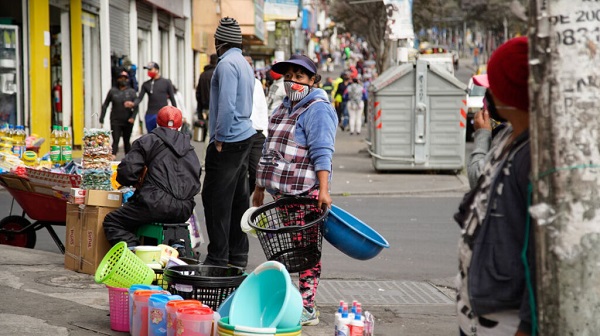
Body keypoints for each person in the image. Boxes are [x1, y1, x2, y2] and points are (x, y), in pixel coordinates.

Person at [454, 37, 533, 336]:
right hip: (477, 313)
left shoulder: (533, 155)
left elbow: (538, 253)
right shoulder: (507, 137)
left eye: (493, 85)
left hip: (504, 323)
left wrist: (525, 326)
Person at [252, 54, 338, 326]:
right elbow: (269, 150)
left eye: (300, 77)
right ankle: (292, 302)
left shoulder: (318, 109)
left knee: (307, 251)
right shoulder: (282, 108)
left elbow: (322, 151)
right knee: (288, 250)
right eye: (288, 76)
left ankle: (308, 307)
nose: (292, 81)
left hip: (307, 193)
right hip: (284, 193)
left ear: (313, 80)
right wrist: (259, 187)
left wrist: (324, 190)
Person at [103, 106, 202, 247]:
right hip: (184, 209)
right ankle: (175, 247)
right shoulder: (190, 149)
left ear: (157, 123)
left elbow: (127, 174)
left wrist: (136, 181)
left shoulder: (147, 141)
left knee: (113, 221)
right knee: (148, 214)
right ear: (180, 126)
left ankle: (134, 253)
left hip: (154, 204)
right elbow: (196, 178)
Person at [201, 17, 256, 268]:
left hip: (229, 139)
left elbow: (226, 106)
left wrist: (220, 139)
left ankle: (217, 258)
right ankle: (237, 256)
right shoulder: (245, 64)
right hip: (245, 136)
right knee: (237, 199)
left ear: (219, 42)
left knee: (215, 200)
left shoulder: (225, 65)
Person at [466, 74, 508, 188]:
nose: (486, 99)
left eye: (490, 92)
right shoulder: (504, 131)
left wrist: (482, 134)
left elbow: (476, 178)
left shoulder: (509, 136)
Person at [244, 54, 269, 195]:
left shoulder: (257, 84)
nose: (249, 66)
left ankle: (245, 194)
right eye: (245, 63)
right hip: (240, 133)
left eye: (250, 64)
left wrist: (264, 132)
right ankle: (240, 202)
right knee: (240, 171)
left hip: (257, 133)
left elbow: (262, 107)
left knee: (256, 171)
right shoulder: (234, 82)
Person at [128, 62, 177, 133]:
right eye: (148, 70)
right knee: (151, 136)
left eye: (150, 69)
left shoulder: (166, 82)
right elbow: (139, 98)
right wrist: (133, 104)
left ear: (157, 70)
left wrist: (175, 113)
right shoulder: (146, 84)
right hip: (150, 114)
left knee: (163, 135)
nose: (149, 72)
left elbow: (172, 98)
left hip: (163, 114)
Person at [99, 70, 138, 157]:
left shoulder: (131, 92)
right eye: (121, 78)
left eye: (125, 78)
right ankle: (113, 157)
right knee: (115, 140)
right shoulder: (113, 91)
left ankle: (129, 158)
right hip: (115, 120)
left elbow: (136, 106)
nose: (123, 80)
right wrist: (102, 117)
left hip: (127, 120)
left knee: (126, 140)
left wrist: (133, 117)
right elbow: (105, 104)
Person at [196, 54, 218, 142]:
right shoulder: (218, 73)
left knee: (209, 133)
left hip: (205, 108)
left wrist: (199, 110)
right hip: (217, 108)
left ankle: (207, 154)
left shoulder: (203, 75)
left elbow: (198, 94)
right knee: (214, 134)